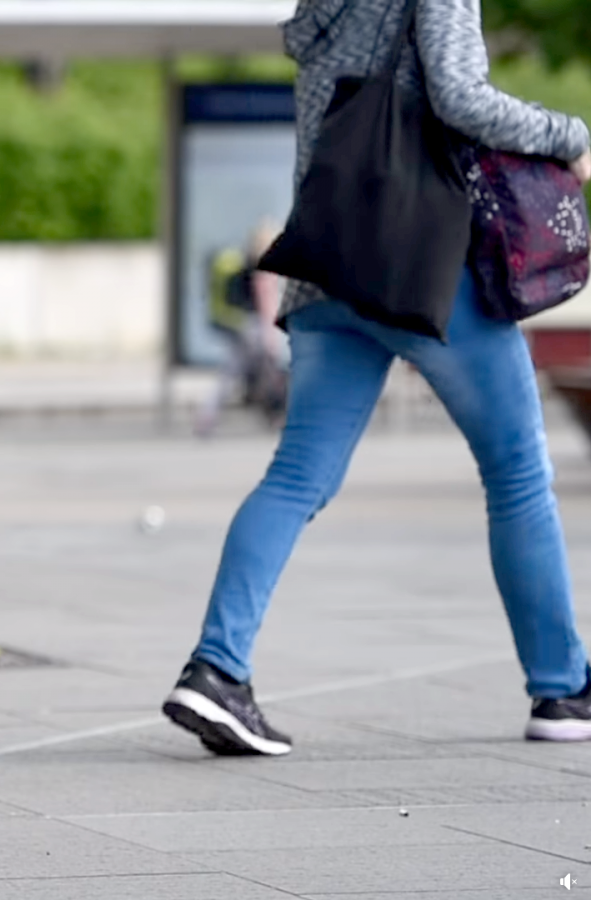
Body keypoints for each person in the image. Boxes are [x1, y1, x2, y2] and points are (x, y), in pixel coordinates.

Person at [163, 0, 591, 758]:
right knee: (519, 471)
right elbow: (461, 98)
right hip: (427, 273)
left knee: (295, 477)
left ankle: (217, 671)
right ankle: (562, 688)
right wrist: (569, 137)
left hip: (330, 268)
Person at [195, 220, 288, 437]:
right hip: (251, 329)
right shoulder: (261, 271)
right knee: (256, 371)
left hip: (239, 326)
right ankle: (273, 414)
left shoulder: (245, 263)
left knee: (239, 373)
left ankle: (210, 416)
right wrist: (271, 339)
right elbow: (266, 308)